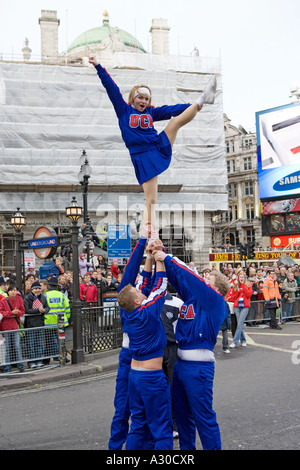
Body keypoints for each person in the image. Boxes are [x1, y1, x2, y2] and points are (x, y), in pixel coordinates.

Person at [89, 56, 217, 227]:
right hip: (142, 156)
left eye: (146, 99)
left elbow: (170, 110)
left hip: (157, 146)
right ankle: (149, 233)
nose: (143, 101)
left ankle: (202, 99)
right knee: (151, 199)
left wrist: (191, 106)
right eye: (140, 97)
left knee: (174, 122)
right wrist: (98, 66)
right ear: (133, 98)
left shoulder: (150, 112)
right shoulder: (123, 110)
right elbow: (112, 88)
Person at [153, 250, 230, 450]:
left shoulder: (215, 302)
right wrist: (162, 260)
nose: (204, 280)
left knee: (203, 417)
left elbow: (191, 278)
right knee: (182, 415)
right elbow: (180, 280)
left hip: (199, 368)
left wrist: (168, 257)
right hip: (181, 365)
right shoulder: (194, 298)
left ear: (217, 289)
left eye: (208, 279)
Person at [118, 239, 173, 450]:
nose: (143, 292)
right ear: (137, 301)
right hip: (151, 377)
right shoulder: (148, 312)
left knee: (138, 425)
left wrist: (149, 257)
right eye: (140, 294)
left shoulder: (127, 311)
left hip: (135, 375)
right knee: (161, 428)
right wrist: (159, 255)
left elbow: (144, 284)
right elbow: (160, 285)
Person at [108, 224, 155, 450]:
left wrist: (152, 251)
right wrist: (145, 243)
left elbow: (144, 275)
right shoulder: (137, 303)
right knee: (125, 409)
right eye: (137, 290)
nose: (139, 288)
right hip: (134, 357)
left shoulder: (141, 299)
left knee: (141, 411)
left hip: (140, 358)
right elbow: (133, 273)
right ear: (136, 299)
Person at [161, 290, 183, 437]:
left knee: (173, 387)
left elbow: (182, 328)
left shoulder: (177, 303)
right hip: (154, 349)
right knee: (157, 388)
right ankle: (161, 424)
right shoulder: (146, 300)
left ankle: (175, 423)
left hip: (172, 348)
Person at [44, 277, 70, 364]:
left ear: (49, 286)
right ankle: (63, 358)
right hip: (61, 322)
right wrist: (67, 318)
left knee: (48, 341)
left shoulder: (45, 295)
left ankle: (46, 360)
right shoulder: (62, 295)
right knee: (61, 341)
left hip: (49, 322)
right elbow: (67, 308)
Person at [24, 280, 49, 368]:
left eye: (39, 288)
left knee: (39, 344)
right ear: (32, 290)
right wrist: (38, 310)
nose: (38, 290)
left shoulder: (43, 297)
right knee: (31, 344)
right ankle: (31, 362)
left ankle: (39, 361)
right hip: (30, 324)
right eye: (36, 289)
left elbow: (47, 307)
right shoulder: (27, 298)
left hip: (40, 323)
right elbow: (26, 310)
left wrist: (44, 311)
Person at [0, 284, 25, 373]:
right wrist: (11, 313)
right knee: (7, 348)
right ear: (8, 292)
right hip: (6, 327)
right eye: (11, 290)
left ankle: (20, 366)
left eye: (15, 290)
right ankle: (7, 367)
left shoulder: (19, 299)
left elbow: (22, 311)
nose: (13, 292)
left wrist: (17, 313)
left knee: (17, 346)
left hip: (15, 326)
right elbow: (1, 312)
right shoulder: (3, 301)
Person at [229, 271, 252, 348]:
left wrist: (243, 286)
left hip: (245, 306)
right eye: (240, 277)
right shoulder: (236, 286)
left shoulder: (248, 285)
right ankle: (243, 340)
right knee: (240, 325)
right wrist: (237, 290)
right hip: (237, 306)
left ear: (245, 278)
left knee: (239, 324)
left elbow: (248, 294)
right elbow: (233, 297)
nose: (241, 278)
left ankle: (234, 341)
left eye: (243, 277)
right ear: (238, 278)